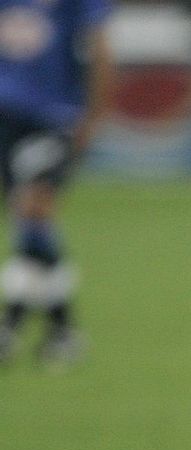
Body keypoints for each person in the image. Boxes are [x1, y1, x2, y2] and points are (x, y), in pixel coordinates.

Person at [0, 0, 113, 367]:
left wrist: (93, 115)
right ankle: (61, 332)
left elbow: (100, 48)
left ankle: (12, 325)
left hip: (53, 117)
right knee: (29, 221)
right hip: (7, 118)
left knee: (34, 208)